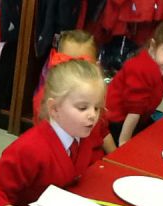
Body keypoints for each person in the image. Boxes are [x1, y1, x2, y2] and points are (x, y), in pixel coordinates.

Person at [0, 59, 106, 206]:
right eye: (82, 108)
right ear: (54, 108)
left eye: (97, 108)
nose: (93, 115)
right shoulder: (28, 150)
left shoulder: (85, 134)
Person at [33, 29, 116, 158]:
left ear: (96, 67)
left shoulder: (95, 95)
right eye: (69, 65)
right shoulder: (46, 100)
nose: (76, 72)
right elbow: (48, 147)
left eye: (83, 66)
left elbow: (103, 131)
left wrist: (116, 158)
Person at [106, 18, 163, 146]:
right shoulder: (141, 69)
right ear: (153, 46)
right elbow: (134, 112)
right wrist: (124, 142)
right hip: (118, 121)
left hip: (139, 116)